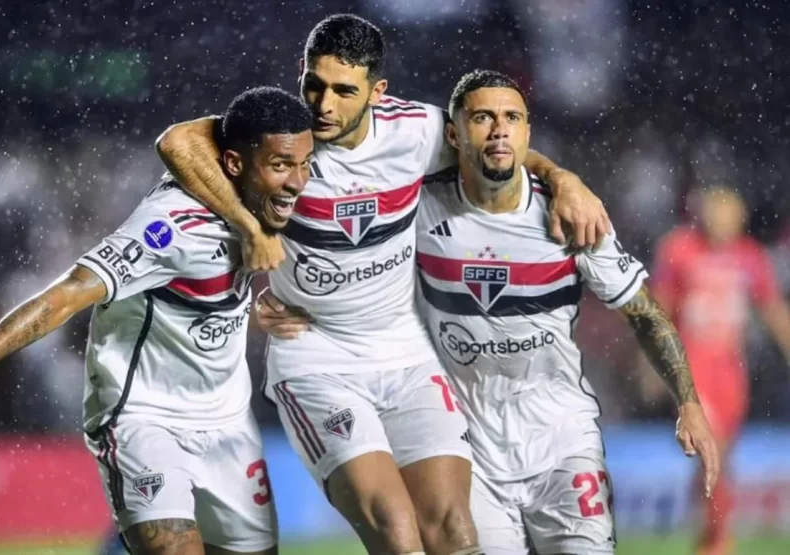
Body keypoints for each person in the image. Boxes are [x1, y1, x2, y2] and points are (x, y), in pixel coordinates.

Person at [155, 14, 611, 555]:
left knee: (456, 534)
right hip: (317, 360)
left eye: (345, 91)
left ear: (378, 91)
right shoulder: (279, 132)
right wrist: (251, 227)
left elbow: (495, 148)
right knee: (398, 533)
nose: (324, 105)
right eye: (314, 84)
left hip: (405, 353)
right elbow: (178, 141)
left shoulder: (415, 130)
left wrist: (564, 178)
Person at [257, 69, 722, 554]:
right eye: (483, 117)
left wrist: (688, 403)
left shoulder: (571, 217)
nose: (499, 129)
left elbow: (644, 313)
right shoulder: (418, 208)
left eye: (512, 118)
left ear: (527, 133)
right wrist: (284, 300)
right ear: (454, 135)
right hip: (468, 447)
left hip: (562, 438)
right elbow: (348, 257)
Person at [0, 86, 315, 555]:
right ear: (234, 163)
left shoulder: (274, 197)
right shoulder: (171, 225)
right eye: (281, 166)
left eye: (304, 165)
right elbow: (68, 293)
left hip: (227, 424)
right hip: (144, 418)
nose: (298, 180)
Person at [648, 186, 790, 555]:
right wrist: (650, 363)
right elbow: (658, 310)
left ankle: (711, 534)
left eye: (729, 215)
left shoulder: (749, 256)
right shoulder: (678, 250)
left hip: (731, 372)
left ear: (740, 218)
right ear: (703, 215)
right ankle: (718, 540)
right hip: (692, 369)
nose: (721, 222)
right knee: (713, 449)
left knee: (721, 459)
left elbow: (772, 308)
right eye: (716, 213)